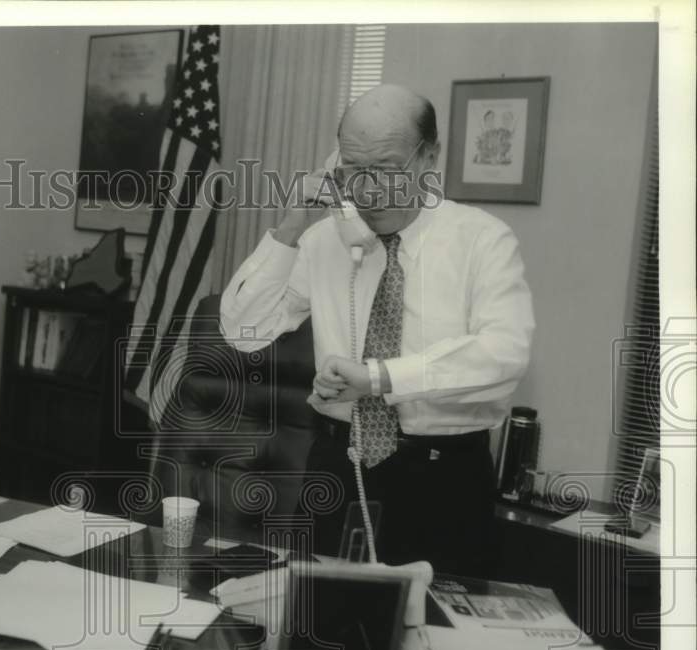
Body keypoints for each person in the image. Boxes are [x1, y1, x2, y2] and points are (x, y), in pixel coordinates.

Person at [219, 84, 535, 577]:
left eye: (386, 169)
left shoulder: (482, 240)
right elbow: (243, 330)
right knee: (317, 626)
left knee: (436, 634)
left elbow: (505, 353)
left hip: (443, 479)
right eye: (352, 169)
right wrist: (291, 226)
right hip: (338, 466)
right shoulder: (324, 240)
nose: (368, 191)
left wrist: (381, 377)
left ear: (429, 157)